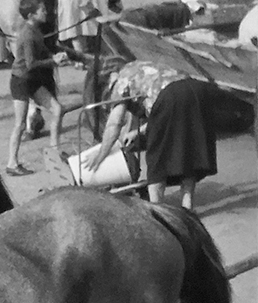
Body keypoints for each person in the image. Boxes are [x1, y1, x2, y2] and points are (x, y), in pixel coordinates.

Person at [86, 60, 221, 208]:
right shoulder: (139, 65)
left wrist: (101, 154)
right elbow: (162, 107)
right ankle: (187, 206)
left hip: (170, 97)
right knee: (188, 150)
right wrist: (138, 132)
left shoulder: (121, 80)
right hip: (197, 90)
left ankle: (157, 208)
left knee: (157, 160)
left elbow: (115, 123)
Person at [4, 1, 62, 176]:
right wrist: (54, 61)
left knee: (58, 110)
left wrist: (55, 56)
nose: (46, 12)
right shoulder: (28, 35)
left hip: (32, 80)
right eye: (42, 10)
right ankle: (12, 164)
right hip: (21, 81)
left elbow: (42, 52)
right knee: (20, 124)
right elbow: (30, 64)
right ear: (31, 15)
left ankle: (55, 151)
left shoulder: (36, 30)